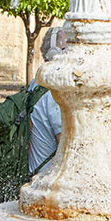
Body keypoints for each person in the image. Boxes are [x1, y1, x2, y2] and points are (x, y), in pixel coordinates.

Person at [28, 26, 66, 173]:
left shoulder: (36, 83)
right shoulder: (53, 92)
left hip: (32, 171)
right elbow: (64, 144)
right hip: (46, 176)